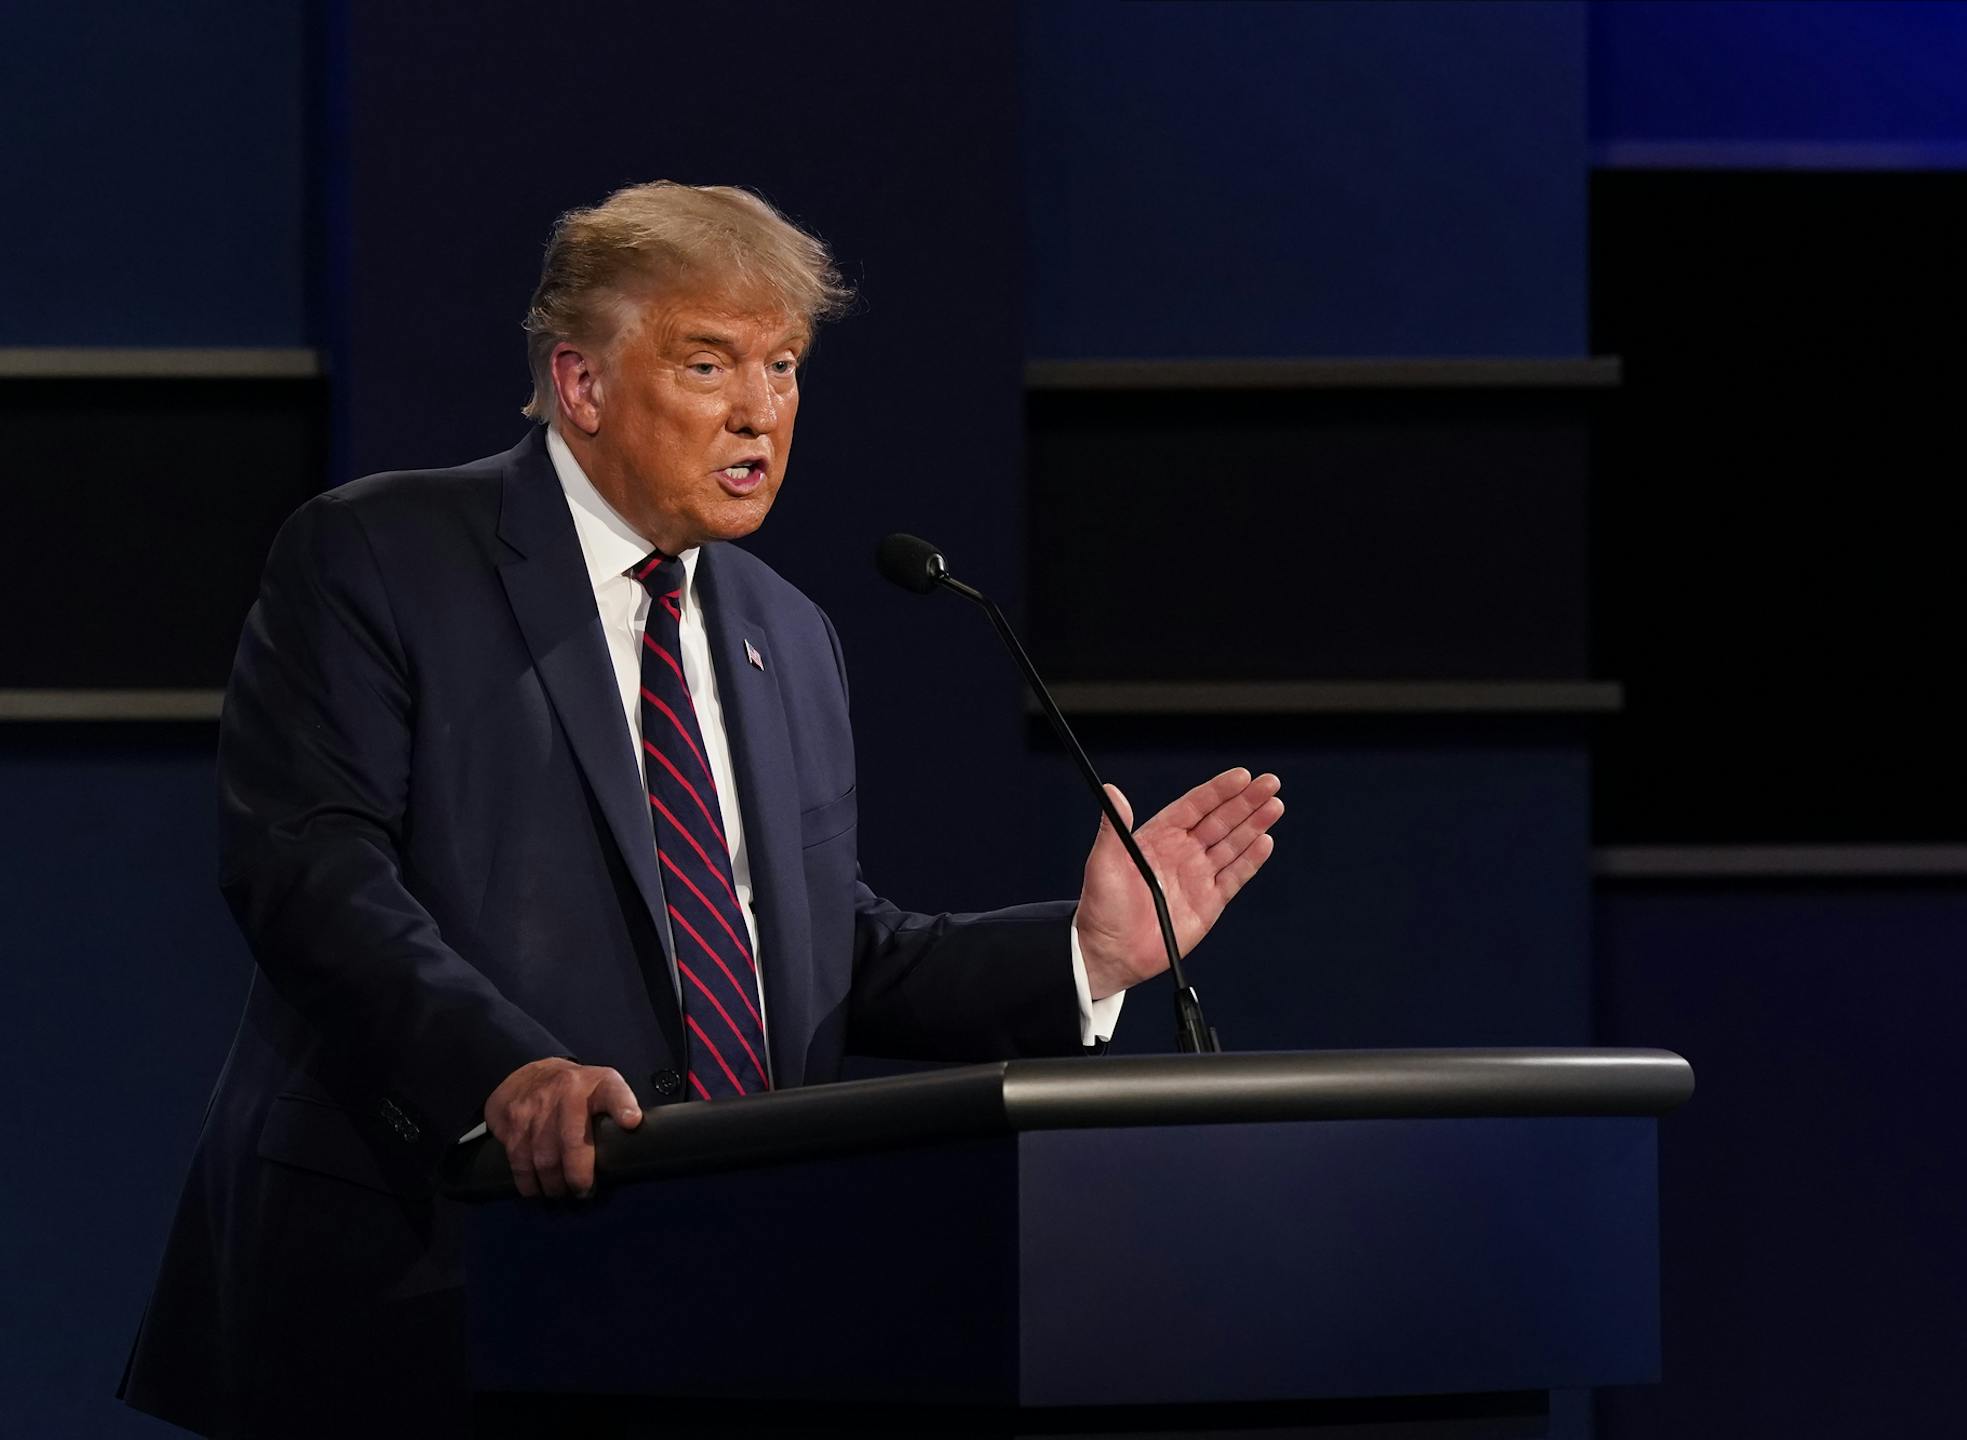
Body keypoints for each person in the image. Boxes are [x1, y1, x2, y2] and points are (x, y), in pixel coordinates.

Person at [117, 181, 1284, 1437]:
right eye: (708, 363)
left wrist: (1085, 954)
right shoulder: (381, 557)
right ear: (581, 384)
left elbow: (823, 949)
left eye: (783, 367)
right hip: (426, 1272)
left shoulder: (790, 632)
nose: (760, 412)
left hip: (712, 1301)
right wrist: (505, 1069)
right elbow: (312, 872)